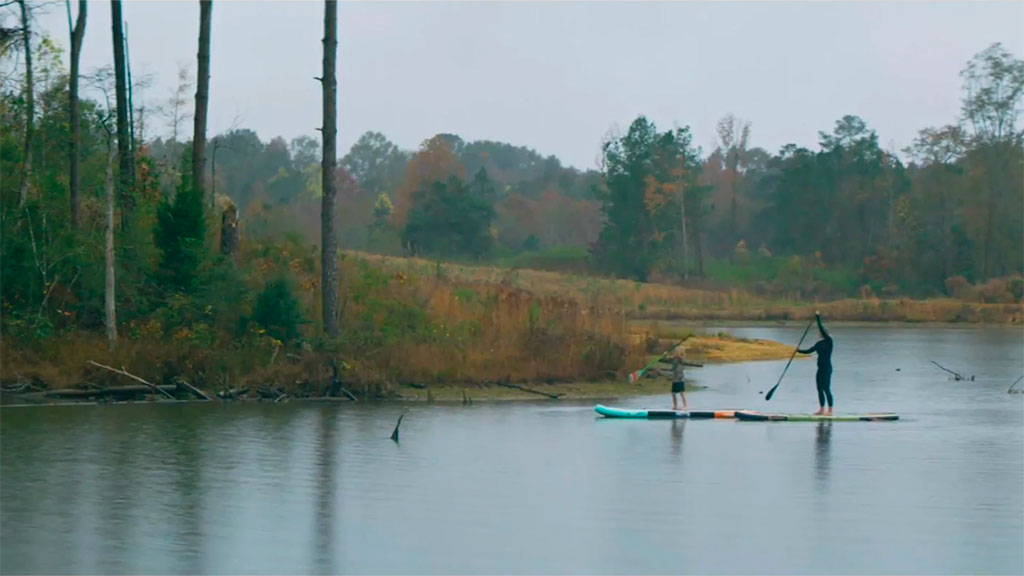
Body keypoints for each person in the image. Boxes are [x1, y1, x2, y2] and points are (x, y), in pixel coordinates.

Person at [798, 311, 834, 415]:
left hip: (827, 368)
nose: (819, 333)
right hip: (820, 369)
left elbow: (821, 327)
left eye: (821, 332)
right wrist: (798, 351)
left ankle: (830, 410)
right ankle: (822, 409)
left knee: (826, 388)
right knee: (819, 389)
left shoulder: (829, 341)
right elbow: (809, 351)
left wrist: (817, 317)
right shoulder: (818, 343)